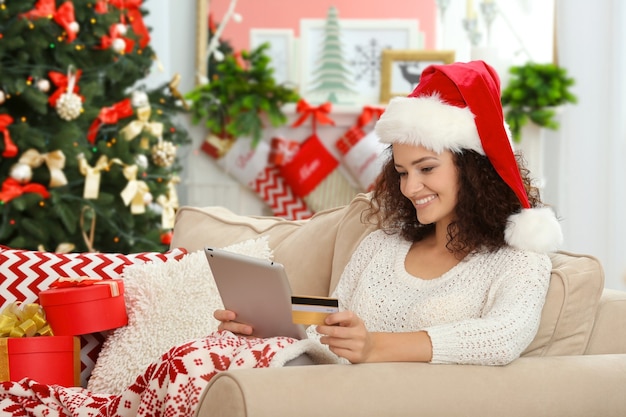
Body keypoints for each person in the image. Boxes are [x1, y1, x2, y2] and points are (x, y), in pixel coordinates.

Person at [216, 60, 563, 366]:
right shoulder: (381, 246)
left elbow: (502, 338)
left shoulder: (519, 260)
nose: (410, 188)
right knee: (202, 355)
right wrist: (262, 328)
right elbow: (333, 325)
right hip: (328, 395)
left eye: (426, 169)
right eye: (402, 172)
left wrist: (375, 346)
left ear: (473, 169)